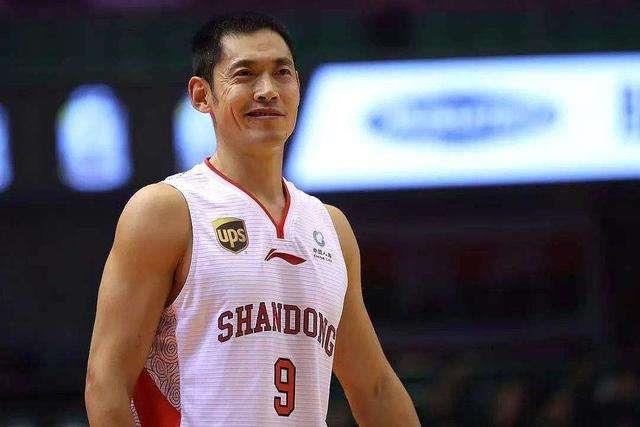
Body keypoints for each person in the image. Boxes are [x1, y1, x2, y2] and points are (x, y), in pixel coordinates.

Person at [85, 12, 420, 426]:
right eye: (245, 74)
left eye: (282, 73)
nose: (268, 91)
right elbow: (105, 384)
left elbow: (375, 388)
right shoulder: (166, 211)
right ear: (202, 95)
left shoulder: (330, 227)